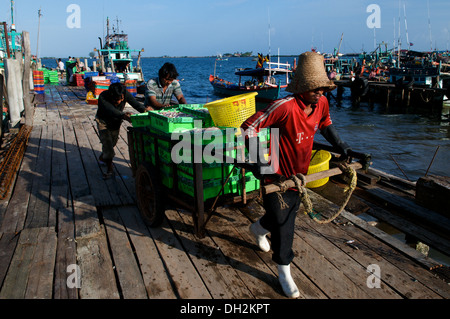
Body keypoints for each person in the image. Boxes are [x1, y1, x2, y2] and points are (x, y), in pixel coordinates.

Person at [240, 51, 352, 298]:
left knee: (285, 215)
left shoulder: (321, 103)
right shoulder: (285, 106)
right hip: (275, 171)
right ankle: (284, 270)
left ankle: (258, 229)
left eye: (322, 87)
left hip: (299, 173)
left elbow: (325, 125)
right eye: (314, 88)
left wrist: (340, 145)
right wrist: (260, 161)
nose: (320, 92)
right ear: (300, 87)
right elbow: (249, 127)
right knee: (284, 223)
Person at [96, 82, 152, 178]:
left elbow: (136, 104)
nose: (120, 101)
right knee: (108, 145)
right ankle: (110, 169)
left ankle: (103, 156)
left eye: (122, 99)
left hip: (115, 122)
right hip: (103, 122)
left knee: (112, 143)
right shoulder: (103, 97)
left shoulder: (124, 93)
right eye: (117, 100)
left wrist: (146, 111)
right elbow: (111, 110)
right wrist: (124, 116)